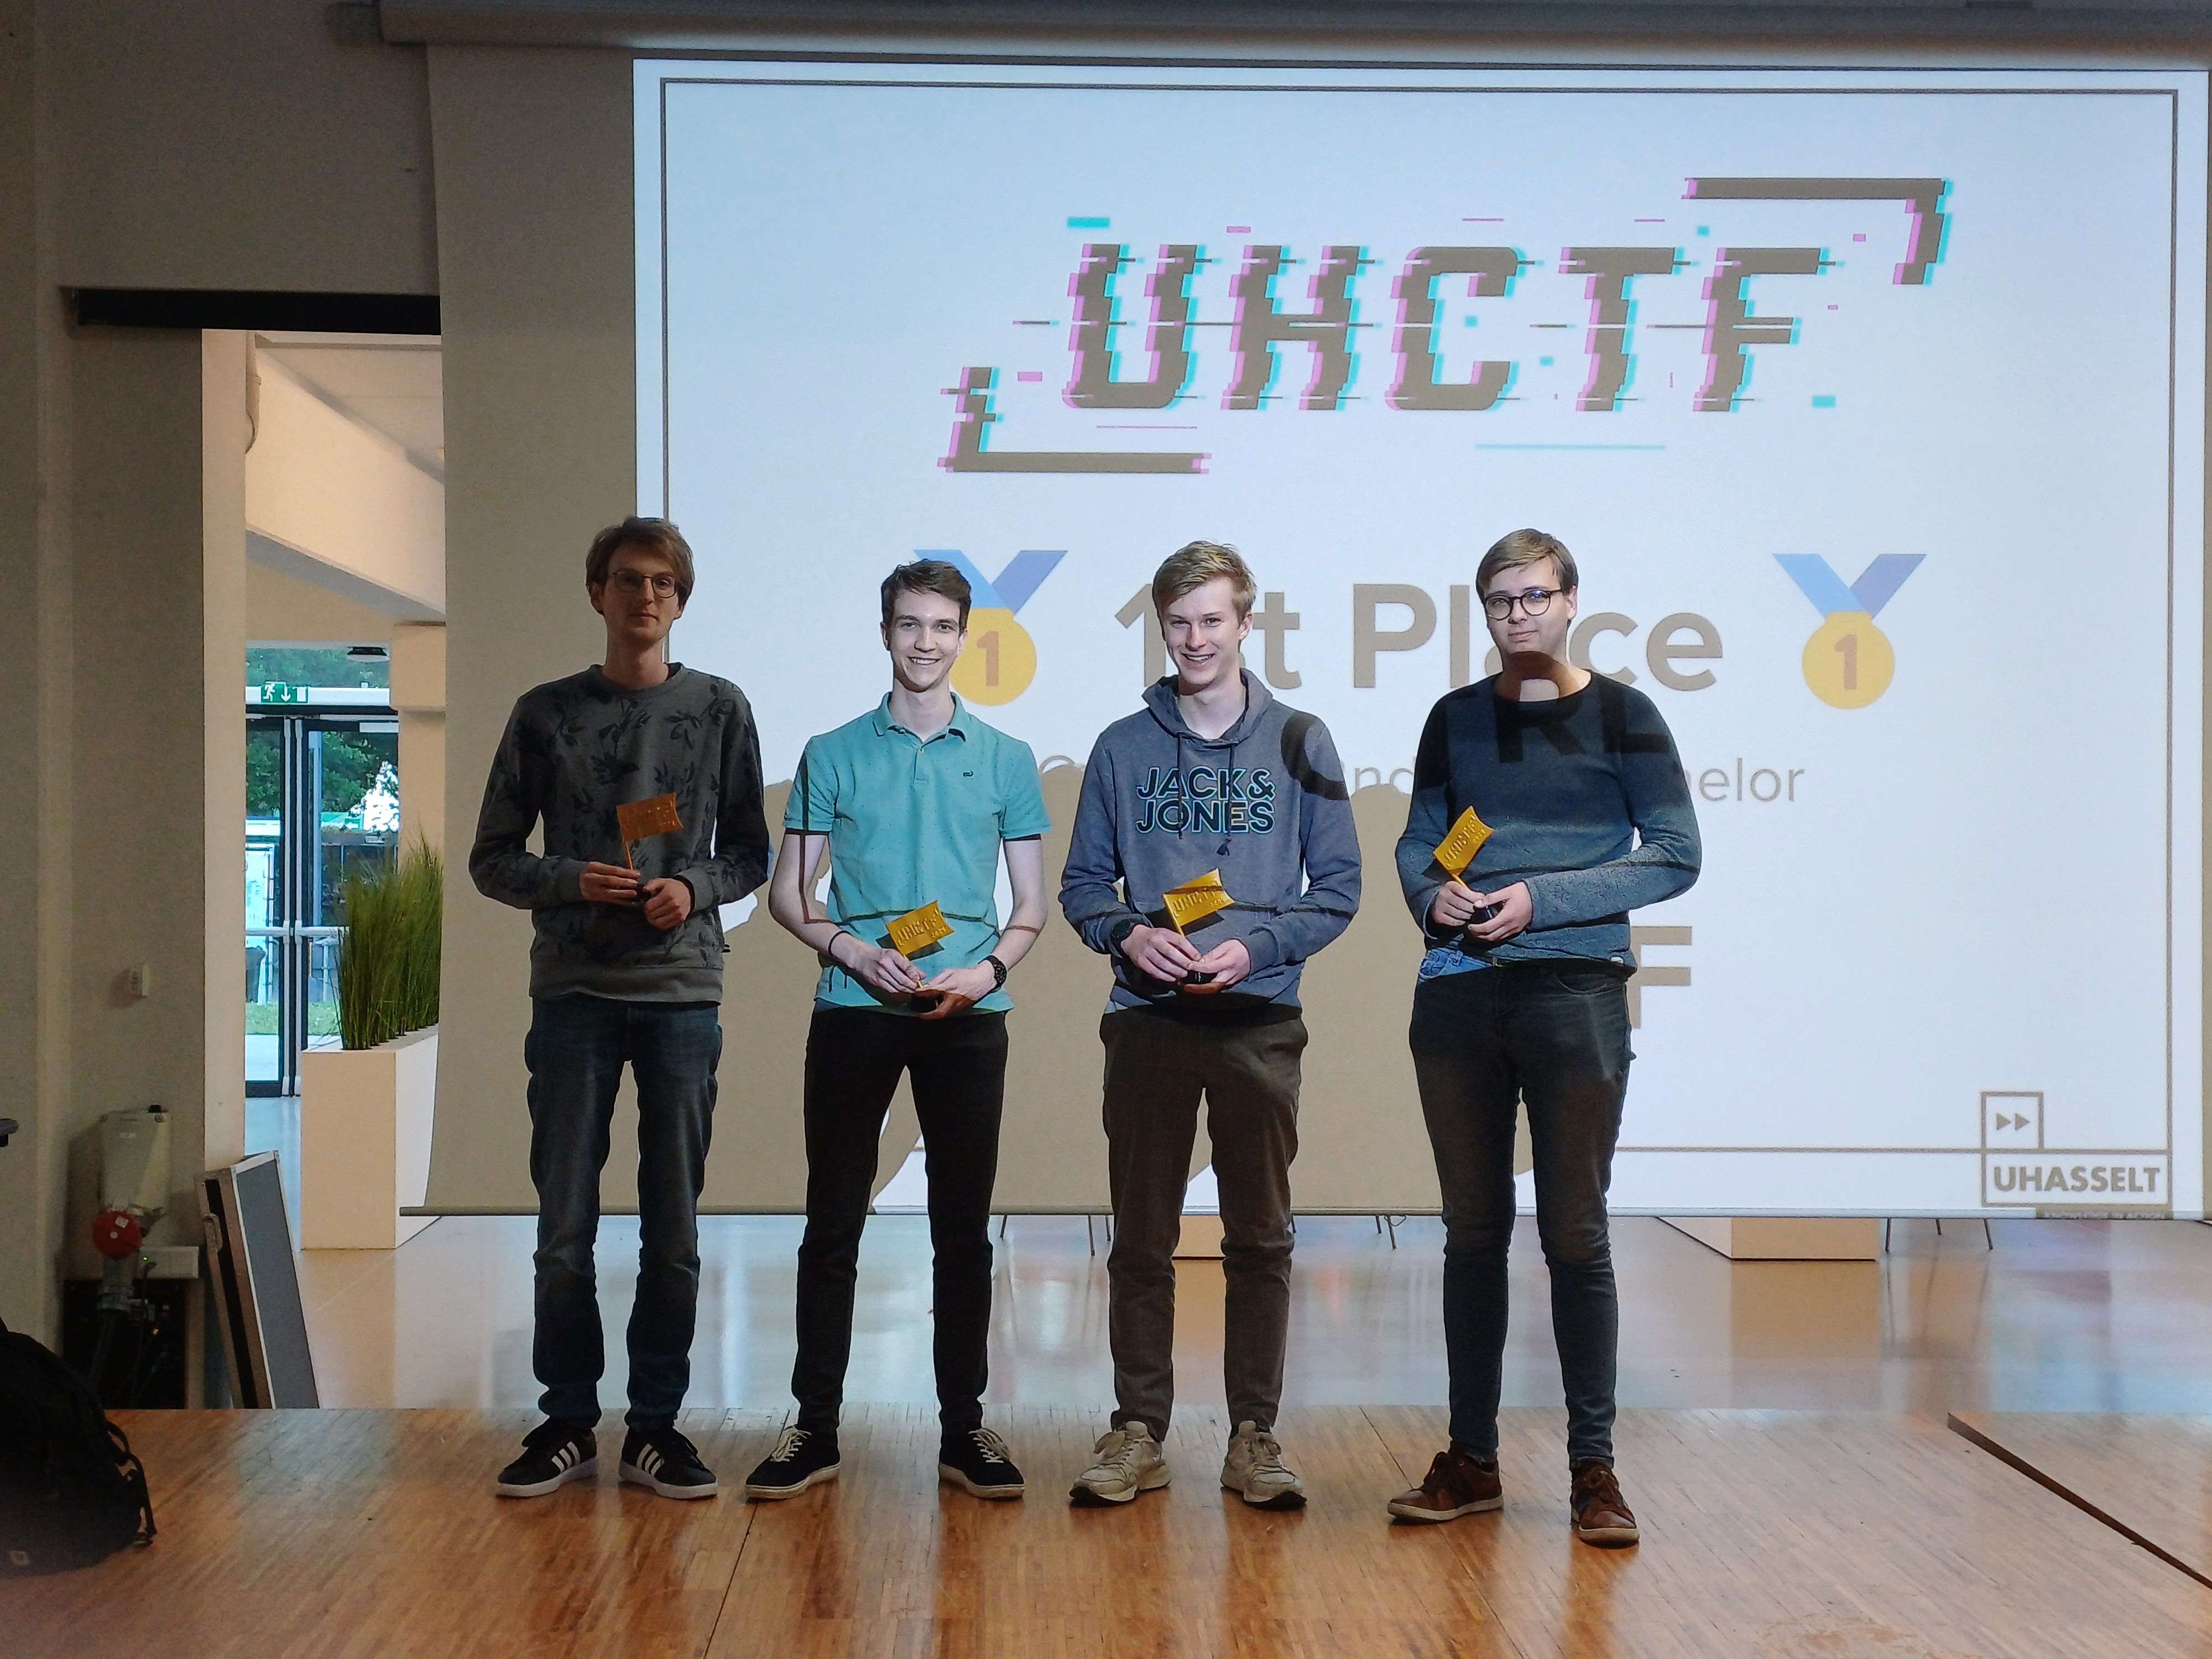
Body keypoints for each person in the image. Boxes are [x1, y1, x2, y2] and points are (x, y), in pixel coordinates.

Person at [1385, 528, 1700, 1546]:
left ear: (1570, 602)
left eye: (1533, 597)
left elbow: (1675, 854)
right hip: (1459, 992)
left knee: (1576, 1235)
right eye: (1499, 601)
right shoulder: (1455, 718)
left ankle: (1593, 1470)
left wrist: (1543, 899)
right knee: (1472, 1234)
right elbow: (1422, 839)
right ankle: (1471, 1460)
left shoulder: (1626, 715)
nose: (1517, 615)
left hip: (1576, 990)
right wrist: (1432, 895)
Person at [1058, 540, 1361, 1510]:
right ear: (1162, 627)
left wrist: (1257, 948)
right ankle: (1137, 1432)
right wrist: (1128, 935)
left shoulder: (1302, 740)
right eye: (1179, 622)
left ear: (1246, 623)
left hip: (1260, 1021)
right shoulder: (1122, 746)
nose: (1195, 639)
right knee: (1142, 1239)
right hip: (1147, 1020)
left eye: (1213, 620)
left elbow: (1339, 888)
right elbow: (1081, 887)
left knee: (1261, 1240)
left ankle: (1254, 1436)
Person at [473, 516, 770, 1502]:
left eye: (663, 583)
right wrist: (570, 879)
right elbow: (492, 858)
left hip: (683, 995)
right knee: (565, 1227)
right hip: (573, 996)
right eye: (629, 580)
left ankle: (655, 1427)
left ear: (681, 601)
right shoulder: (545, 714)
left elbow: (750, 853)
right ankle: (567, 1422)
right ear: (597, 592)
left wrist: (693, 886)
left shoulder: (720, 708)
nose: (646, 597)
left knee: (672, 1228)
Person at [741, 559, 1051, 1503]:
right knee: (833, 1221)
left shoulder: (1006, 757)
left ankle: (965, 1429)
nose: (925, 642)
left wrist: (987, 972)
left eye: (942, 626)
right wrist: (852, 952)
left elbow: (1029, 908)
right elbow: (790, 895)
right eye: (910, 624)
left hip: (969, 1014)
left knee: (964, 1231)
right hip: (855, 1010)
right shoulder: (832, 752)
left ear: (965, 636)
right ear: (886, 633)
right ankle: (815, 1428)